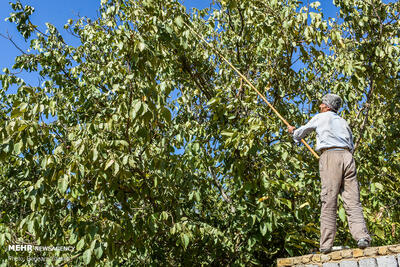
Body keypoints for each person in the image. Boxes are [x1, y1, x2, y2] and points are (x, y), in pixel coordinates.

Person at [287, 94, 371, 253]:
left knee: (329, 200)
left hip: (330, 156)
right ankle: (362, 237)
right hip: (347, 157)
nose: (319, 106)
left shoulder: (321, 117)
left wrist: (293, 132)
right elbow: (351, 144)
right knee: (352, 200)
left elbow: (300, 133)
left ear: (326, 106)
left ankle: (326, 245)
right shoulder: (343, 122)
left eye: (321, 103)